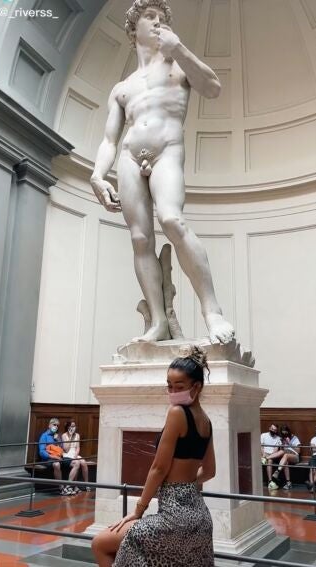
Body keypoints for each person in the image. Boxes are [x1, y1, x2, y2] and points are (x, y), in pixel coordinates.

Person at [89, 0, 234, 345]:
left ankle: (212, 312)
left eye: (161, 18)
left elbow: (213, 87)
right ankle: (157, 321)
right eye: (149, 17)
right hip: (129, 157)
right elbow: (110, 140)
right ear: (133, 28)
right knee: (140, 239)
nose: (157, 22)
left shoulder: (178, 64)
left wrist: (178, 48)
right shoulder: (122, 87)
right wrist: (97, 175)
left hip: (166, 149)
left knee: (171, 220)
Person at [91, 347, 216, 567]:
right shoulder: (206, 421)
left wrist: (138, 511)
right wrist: (187, 484)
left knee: (100, 544)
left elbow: (159, 468)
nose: (172, 392)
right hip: (201, 518)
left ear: (196, 387)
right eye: (169, 386)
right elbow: (210, 471)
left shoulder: (177, 413)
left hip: (174, 519)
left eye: (179, 387)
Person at [38, 417, 80, 495]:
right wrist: (53, 457)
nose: (56, 427)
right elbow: (42, 452)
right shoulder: (44, 436)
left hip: (60, 457)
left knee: (76, 463)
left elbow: (63, 449)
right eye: (54, 425)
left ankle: (68, 486)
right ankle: (61, 488)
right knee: (56, 464)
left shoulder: (57, 436)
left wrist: (57, 440)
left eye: (57, 426)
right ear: (49, 425)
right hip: (49, 459)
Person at [61, 420, 90, 491]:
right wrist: (70, 437)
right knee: (77, 463)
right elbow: (66, 449)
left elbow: (78, 448)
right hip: (67, 454)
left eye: (74, 426)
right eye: (72, 426)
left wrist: (75, 456)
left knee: (84, 462)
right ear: (68, 427)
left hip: (75, 454)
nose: (73, 428)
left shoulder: (77, 435)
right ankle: (71, 485)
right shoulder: (64, 435)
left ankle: (87, 484)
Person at [268, 426, 301, 490]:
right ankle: (288, 483)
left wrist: (289, 443)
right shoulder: (282, 439)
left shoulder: (294, 438)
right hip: (285, 456)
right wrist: (282, 445)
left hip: (295, 456)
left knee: (285, 455)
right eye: (283, 433)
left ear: (288, 432)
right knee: (285, 460)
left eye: (286, 433)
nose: (285, 434)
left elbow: (298, 451)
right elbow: (280, 450)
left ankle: (277, 471)